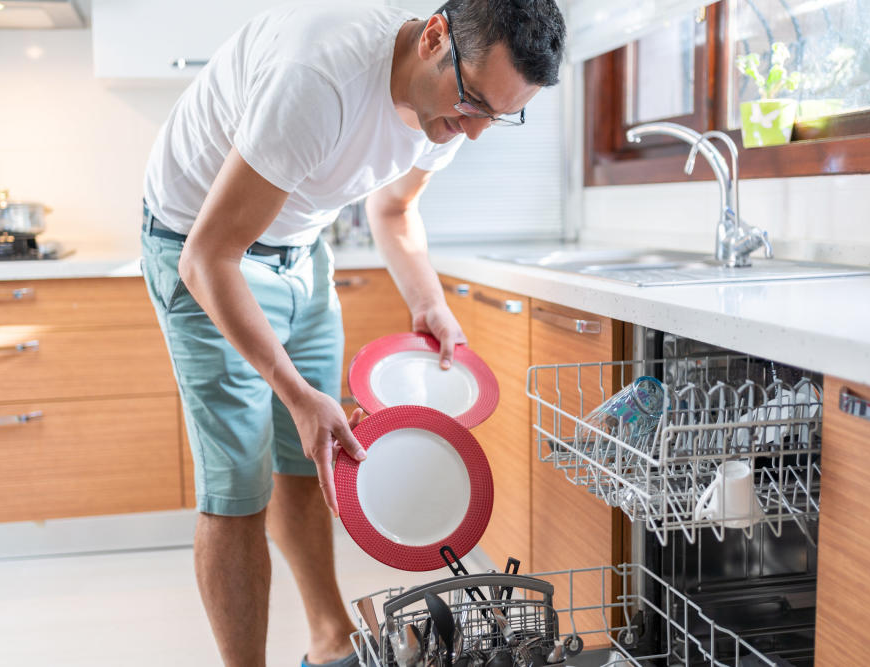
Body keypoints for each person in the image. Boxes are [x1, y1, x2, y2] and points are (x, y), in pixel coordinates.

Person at [139, 0, 566, 665]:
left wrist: (428, 301)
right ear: (434, 38)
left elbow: (394, 208)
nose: (473, 133)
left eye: (498, 115)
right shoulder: (317, 77)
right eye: (475, 101)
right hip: (203, 247)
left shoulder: (450, 112)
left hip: (301, 252)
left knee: (313, 455)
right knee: (238, 487)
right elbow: (208, 255)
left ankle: (330, 638)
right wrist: (294, 389)